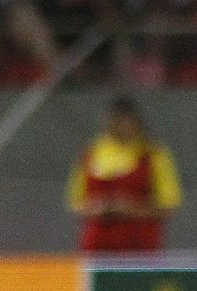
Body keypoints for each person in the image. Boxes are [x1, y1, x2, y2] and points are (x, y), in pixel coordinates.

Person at [68, 95, 182, 251]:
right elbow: (77, 203)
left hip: (139, 249)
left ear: (135, 122)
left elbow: (169, 206)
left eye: (123, 121)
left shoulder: (153, 154)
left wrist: (130, 209)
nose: (118, 126)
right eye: (113, 122)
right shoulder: (92, 153)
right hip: (97, 248)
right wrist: (99, 208)